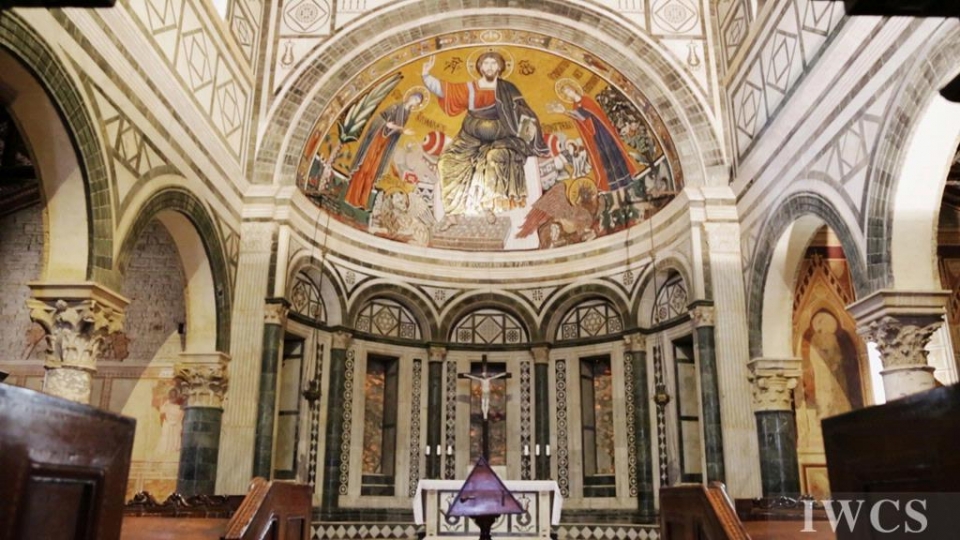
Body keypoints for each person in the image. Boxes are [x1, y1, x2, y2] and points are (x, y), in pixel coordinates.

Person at [422, 51, 550, 225]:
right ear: (480, 68)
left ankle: (488, 208)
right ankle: (453, 213)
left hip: (502, 138)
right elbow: (446, 91)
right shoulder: (470, 88)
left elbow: (523, 112)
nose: (490, 67)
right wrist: (426, 76)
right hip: (469, 138)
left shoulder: (507, 89)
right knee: (446, 161)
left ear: (500, 67)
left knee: (492, 158)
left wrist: (529, 137)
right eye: (486, 64)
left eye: (493, 63)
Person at [548, 80, 640, 192]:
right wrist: (565, 112)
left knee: (613, 152)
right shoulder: (574, 106)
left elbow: (587, 114)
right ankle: (614, 184)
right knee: (603, 157)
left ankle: (627, 178)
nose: (568, 94)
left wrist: (565, 112)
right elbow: (580, 120)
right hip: (593, 135)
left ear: (573, 89)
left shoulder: (586, 100)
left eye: (568, 90)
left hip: (602, 130)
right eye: (566, 93)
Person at [343, 91, 423, 209]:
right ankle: (352, 198)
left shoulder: (407, 114)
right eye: (415, 99)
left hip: (386, 143)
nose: (414, 102)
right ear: (410, 96)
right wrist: (399, 129)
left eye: (417, 102)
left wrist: (399, 130)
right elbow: (381, 119)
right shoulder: (395, 106)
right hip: (378, 138)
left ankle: (362, 201)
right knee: (365, 167)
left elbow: (396, 130)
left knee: (373, 171)